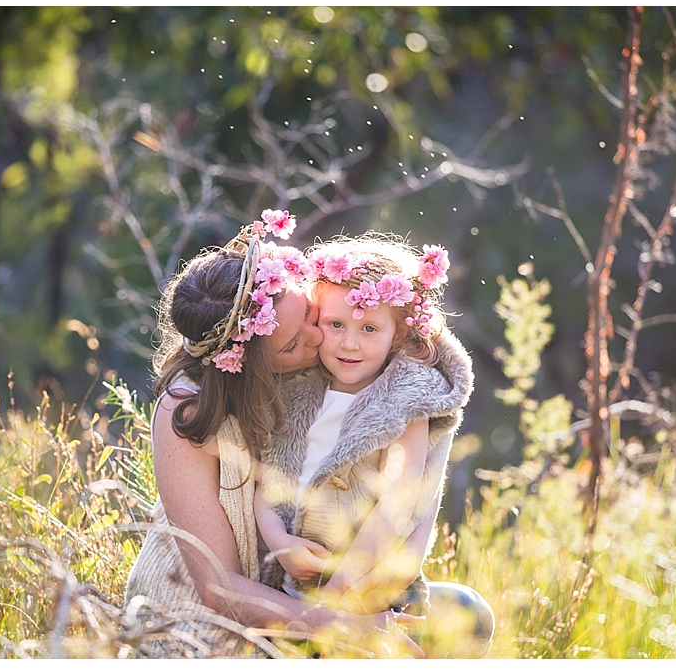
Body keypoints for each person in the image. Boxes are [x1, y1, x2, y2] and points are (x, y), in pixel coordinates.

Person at [122, 212, 490, 658]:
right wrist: (343, 625)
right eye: (296, 341)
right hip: (220, 624)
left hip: (318, 593)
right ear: (253, 362)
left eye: (312, 315)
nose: (323, 339)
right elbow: (218, 588)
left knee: (468, 615)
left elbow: (410, 504)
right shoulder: (187, 409)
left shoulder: (340, 365)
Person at [254, 236, 493, 657]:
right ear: (315, 321)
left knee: (467, 618)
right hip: (291, 593)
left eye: (369, 328)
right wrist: (278, 540)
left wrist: (345, 592)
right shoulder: (293, 392)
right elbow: (265, 483)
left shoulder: (405, 405)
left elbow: (397, 506)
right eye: (336, 325)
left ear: (398, 333)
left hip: (374, 593)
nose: (350, 343)